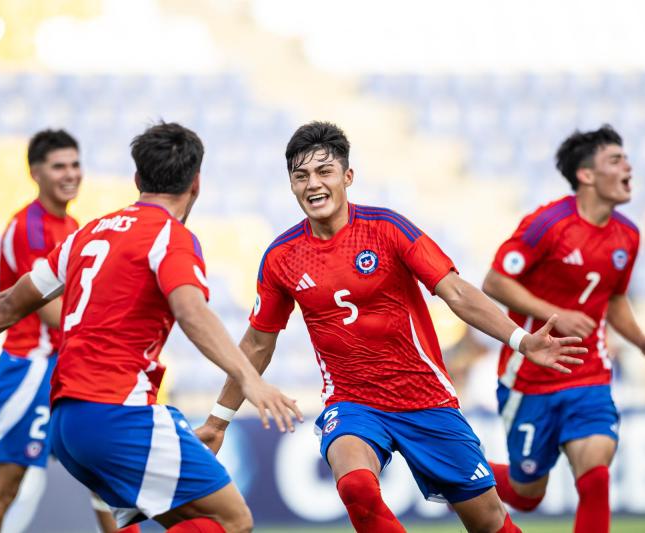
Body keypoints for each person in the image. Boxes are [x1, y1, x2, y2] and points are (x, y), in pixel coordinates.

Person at [0, 122, 302, 533]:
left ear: (137, 179)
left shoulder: (87, 233)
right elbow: (191, 311)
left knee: (183, 520)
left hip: (67, 420)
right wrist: (249, 379)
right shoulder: (170, 237)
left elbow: (9, 302)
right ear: (196, 183)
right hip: (115, 413)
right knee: (233, 519)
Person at [195, 121, 587, 533]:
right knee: (357, 488)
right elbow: (258, 343)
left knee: (489, 522)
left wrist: (521, 339)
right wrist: (219, 420)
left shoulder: (387, 229)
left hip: (425, 399)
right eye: (301, 175)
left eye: (324, 171)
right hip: (352, 404)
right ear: (291, 185)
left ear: (348, 177)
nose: (313, 184)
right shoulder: (282, 257)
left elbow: (454, 291)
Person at [482, 125, 645, 533]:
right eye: (616, 160)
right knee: (527, 494)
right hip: (528, 376)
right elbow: (494, 282)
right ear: (586, 175)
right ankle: (458, 473)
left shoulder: (628, 235)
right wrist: (556, 313)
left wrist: (640, 340)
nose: (628, 167)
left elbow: (614, 297)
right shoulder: (547, 224)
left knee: (596, 476)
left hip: (589, 374)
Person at [0, 128, 130, 533]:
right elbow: (49, 309)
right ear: (36, 173)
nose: (71, 174)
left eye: (75, 164)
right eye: (59, 166)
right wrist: (109, 337)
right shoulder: (29, 228)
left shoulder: (71, 224)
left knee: (105, 476)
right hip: (32, 367)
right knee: (3, 489)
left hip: (67, 364)